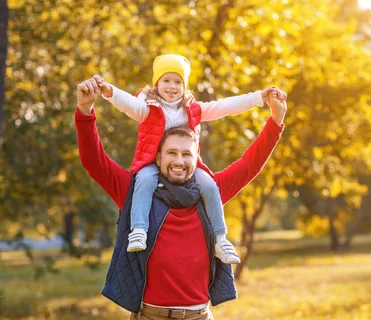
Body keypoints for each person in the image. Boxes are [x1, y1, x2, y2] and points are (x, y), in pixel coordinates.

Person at [75, 75, 286, 319]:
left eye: (186, 154)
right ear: (158, 158)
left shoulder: (210, 192)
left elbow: (250, 164)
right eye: (171, 153)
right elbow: (94, 161)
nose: (178, 161)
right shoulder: (135, 192)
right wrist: (85, 110)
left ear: (196, 158)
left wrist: (276, 121)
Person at [91, 53, 285, 264]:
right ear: (156, 84)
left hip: (190, 168)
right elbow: (128, 104)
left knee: (210, 186)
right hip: (150, 162)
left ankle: (220, 239)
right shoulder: (148, 107)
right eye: (166, 80)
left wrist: (259, 97)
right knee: (144, 181)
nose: (172, 86)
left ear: (184, 86)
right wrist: (110, 92)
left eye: (178, 81)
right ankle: (139, 229)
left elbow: (225, 106)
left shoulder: (192, 110)